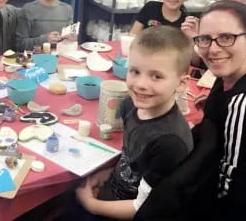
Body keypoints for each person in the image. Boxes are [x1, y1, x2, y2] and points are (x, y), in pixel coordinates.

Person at [72, 26, 194, 220]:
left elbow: (144, 207)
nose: (140, 84)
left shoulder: (170, 143)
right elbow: (131, 163)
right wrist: (103, 175)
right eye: (135, 71)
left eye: (156, 76)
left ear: (180, 83)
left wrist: (92, 205)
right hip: (109, 193)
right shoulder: (130, 105)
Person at [193, 0, 246, 219]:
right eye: (205, 39)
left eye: (226, 38)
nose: (213, 49)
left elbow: (233, 191)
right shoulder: (237, 71)